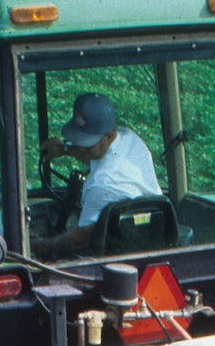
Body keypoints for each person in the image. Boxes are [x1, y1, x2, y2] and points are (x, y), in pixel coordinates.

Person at [37, 92, 162, 254]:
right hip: (154, 228)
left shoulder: (102, 184)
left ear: (109, 134)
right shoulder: (129, 138)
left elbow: (79, 240)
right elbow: (94, 154)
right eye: (78, 140)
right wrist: (65, 148)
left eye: (87, 142)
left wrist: (34, 245)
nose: (81, 147)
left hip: (122, 251)